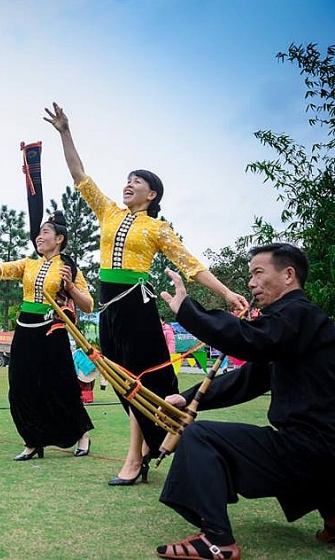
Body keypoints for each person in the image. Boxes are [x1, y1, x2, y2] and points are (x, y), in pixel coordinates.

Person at [45, 102, 247, 484]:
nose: (128, 184)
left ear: (151, 193)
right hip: (109, 309)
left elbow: (191, 264)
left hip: (137, 307)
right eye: (127, 179)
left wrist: (227, 293)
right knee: (120, 380)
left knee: (140, 380)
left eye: (136, 181)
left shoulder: (158, 228)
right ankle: (144, 451)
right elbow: (79, 175)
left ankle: (134, 459)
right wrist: (65, 132)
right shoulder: (108, 213)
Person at [154, 243, 335, 559]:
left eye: (258, 273)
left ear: (289, 275)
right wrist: (186, 398)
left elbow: (250, 339)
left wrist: (188, 310)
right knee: (291, 444)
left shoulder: (298, 314)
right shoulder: (294, 325)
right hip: (318, 452)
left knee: (199, 437)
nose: (250, 283)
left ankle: (217, 540)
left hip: (314, 450)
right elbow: (248, 379)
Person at [0, 211, 94, 460]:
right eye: (39, 233)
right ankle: (32, 440)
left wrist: (71, 288)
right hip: (25, 329)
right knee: (20, 385)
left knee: (61, 386)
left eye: (45, 232)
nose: (39, 237)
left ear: (59, 239)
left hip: (52, 330)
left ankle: (81, 434)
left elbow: (88, 305)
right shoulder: (28, 264)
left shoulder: (69, 268)